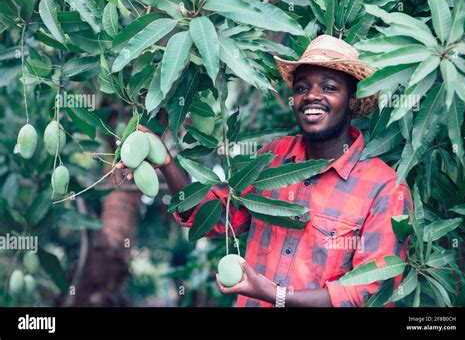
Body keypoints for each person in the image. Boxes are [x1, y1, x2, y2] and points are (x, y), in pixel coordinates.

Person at [117, 35, 413, 307]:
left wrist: (274, 295)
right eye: (301, 87)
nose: (312, 96)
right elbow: (216, 217)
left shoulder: (385, 187)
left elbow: (370, 294)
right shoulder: (273, 157)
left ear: (351, 100)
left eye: (329, 87)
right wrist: (166, 162)